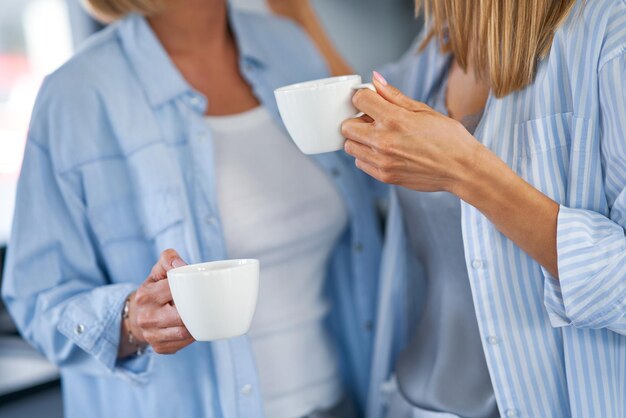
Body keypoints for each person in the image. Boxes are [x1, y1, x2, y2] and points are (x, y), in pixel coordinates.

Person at [0, 0, 384, 417]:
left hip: (342, 403)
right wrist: (130, 320)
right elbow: (36, 300)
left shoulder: (290, 46)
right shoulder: (76, 94)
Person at [279, 0, 626, 416]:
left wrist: (467, 171)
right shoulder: (436, 56)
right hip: (408, 403)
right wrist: (294, 16)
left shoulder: (610, 36)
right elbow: (350, 116)